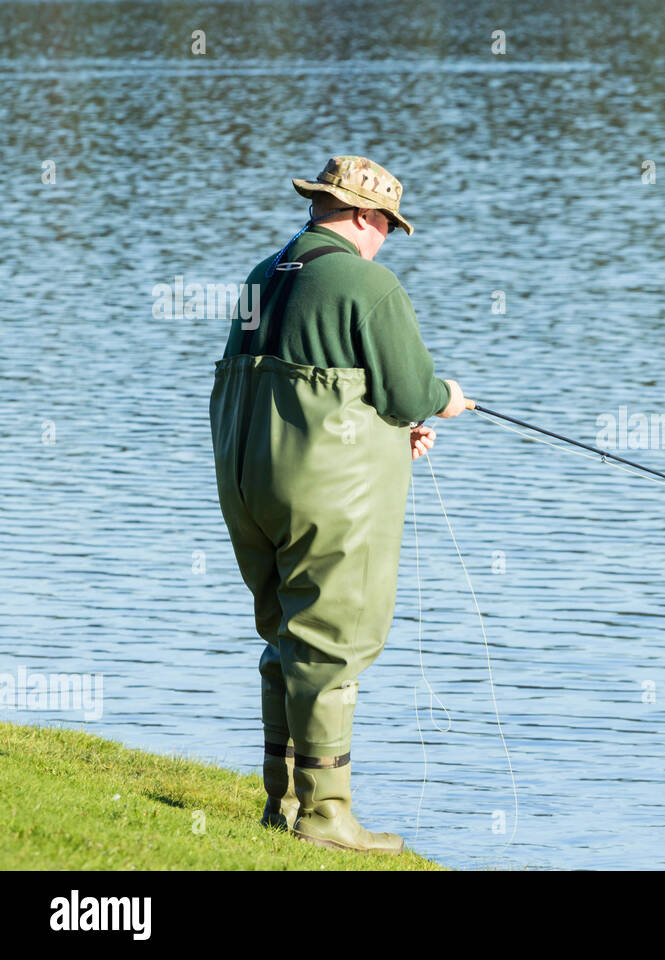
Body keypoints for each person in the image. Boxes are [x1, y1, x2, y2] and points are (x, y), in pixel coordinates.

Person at [209, 155, 467, 854]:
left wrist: (385, 436)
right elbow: (409, 389)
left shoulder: (264, 275)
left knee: (285, 638)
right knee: (331, 643)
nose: (386, 237)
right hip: (324, 494)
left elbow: (299, 389)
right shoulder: (366, 282)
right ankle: (327, 818)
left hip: (247, 483)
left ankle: (281, 803)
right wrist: (446, 400)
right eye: (386, 224)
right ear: (362, 215)